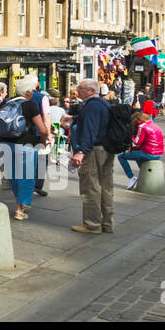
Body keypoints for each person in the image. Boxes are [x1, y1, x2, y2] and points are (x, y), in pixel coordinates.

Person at [0, 78, 50, 221]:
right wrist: (44, 140)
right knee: (26, 177)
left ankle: (19, 201)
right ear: (28, 92)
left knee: (13, 175)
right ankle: (20, 209)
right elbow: (42, 129)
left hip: (5, 143)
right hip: (25, 144)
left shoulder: (6, 103)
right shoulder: (30, 105)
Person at [69, 79, 115, 234]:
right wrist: (75, 119)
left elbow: (90, 130)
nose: (78, 90)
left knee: (91, 187)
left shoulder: (91, 107)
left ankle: (92, 224)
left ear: (91, 91)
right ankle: (107, 223)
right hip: (107, 149)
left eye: (81, 88)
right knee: (106, 186)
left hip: (94, 150)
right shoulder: (102, 104)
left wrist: (81, 151)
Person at [118, 112, 164, 190]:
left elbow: (137, 142)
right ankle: (145, 174)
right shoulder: (153, 124)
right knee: (137, 155)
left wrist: (130, 135)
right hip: (159, 153)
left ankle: (131, 177)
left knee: (121, 157)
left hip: (149, 153)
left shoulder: (142, 127)